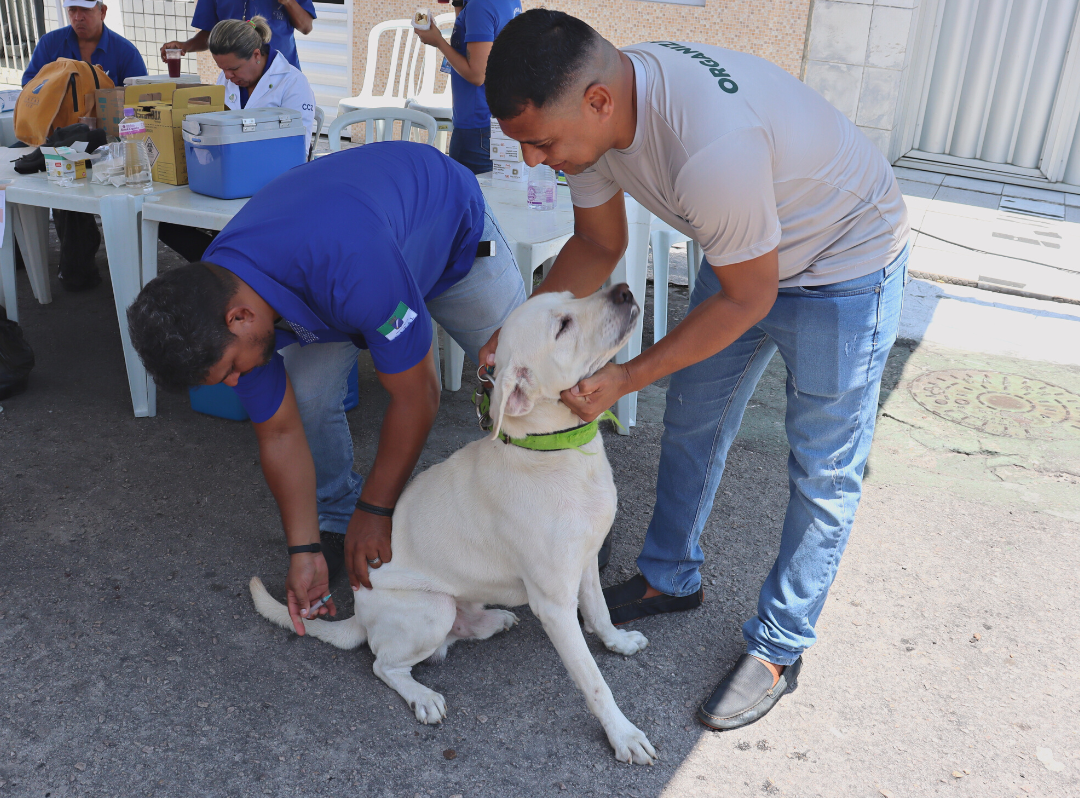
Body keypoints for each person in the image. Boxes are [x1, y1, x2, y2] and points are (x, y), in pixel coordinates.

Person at [482, 10, 909, 732]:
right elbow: (598, 243)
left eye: (540, 143)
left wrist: (626, 376)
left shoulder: (710, 148)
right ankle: (669, 578)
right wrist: (518, 334)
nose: (531, 160)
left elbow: (749, 298)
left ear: (597, 101)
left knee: (824, 468)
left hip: (844, 264)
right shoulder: (597, 120)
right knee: (692, 419)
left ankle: (778, 646)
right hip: (746, 250)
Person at [127, 142, 526, 633]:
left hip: (448, 235)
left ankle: (567, 532)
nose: (234, 383)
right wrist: (303, 549)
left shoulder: (349, 265)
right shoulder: (220, 290)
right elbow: (278, 432)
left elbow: (418, 395)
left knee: (529, 383)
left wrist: (377, 510)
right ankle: (335, 520)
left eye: (230, 369)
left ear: (240, 317)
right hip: (350, 273)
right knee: (307, 399)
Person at [158, 16, 317, 263]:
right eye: (222, 69)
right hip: (226, 181)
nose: (228, 76)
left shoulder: (292, 83)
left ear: (256, 55)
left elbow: (298, 152)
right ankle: (228, 265)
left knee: (235, 234)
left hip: (270, 187)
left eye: (234, 69)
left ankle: (228, 266)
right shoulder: (228, 80)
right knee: (166, 223)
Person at [22, 0, 147, 292]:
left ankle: (81, 265)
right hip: (55, 136)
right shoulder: (51, 43)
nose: (78, 17)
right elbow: (30, 87)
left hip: (106, 141)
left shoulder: (124, 51)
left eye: (85, 10)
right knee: (24, 168)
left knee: (73, 170)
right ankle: (20, 251)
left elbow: (140, 97)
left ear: (102, 11)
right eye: (72, 10)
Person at [414, 0, 521, 174]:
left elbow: (477, 75)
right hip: (492, 119)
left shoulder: (480, 6)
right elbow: (470, 42)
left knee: (468, 190)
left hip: (475, 127)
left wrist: (438, 41)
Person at [160, 0, 315, 72]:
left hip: (283, 74)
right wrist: (186, 46)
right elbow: (211, 33)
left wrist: (289, 2)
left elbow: (306, 26)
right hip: (239, 81)